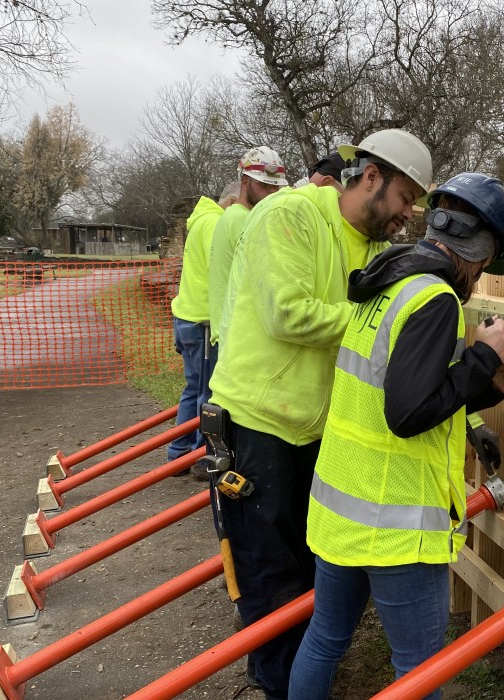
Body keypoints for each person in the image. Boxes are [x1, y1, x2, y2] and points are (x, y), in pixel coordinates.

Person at [207, 129, 433, 698]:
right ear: (372, 176)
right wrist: (387, 324)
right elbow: (287, 315)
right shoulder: (290, 215)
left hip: (318, 430)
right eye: (405, 198)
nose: (408, 215)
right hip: (259, 423)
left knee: (312, 570)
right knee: (269, 576)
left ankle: (301, 679)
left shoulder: (378, 253)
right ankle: (277, 686)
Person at [288, 173, 504, 700]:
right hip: (395, 524)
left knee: (325, 640)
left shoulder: (389, 281)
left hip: (342, 509)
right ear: (482, 252)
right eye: (485, 265)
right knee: (419, 670)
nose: (479, 277)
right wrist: (483, 356)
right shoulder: (435, 299)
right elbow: (409, 413)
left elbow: (412, 394)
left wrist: (489, 386)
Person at [166, 181, 239, 468]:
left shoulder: (202, 219)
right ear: (232, 202)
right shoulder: (215, 223)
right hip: (203, 321)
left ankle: (179, 453)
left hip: (188, 316)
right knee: (207, 394)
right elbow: (221, 268)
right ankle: (200, 455)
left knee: (193, 389)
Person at [207, 146, 289, 353]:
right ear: (245, 182)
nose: (272, 193)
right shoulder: (245, 220)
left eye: (276, 187)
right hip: (236, 334)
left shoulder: (230, 216)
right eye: (264, 185)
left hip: (227, 329)